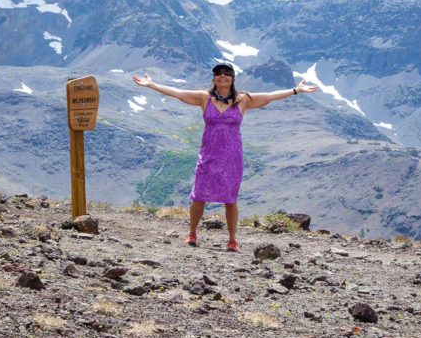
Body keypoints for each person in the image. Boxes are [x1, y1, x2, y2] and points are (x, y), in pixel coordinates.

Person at [133, 62, 317, 252]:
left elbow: (269, 96)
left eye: (227, 73)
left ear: (233, 79)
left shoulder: (243, 99)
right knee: (199, 195)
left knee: (230, 199)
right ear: (214, 78)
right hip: (209, 154)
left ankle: (232, 240)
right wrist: (152, 85)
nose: (222, 76)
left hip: (232, 157)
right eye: (218, 73)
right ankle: (192, 234)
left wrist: (296, 90)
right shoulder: (204, 97)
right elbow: (177, 92)